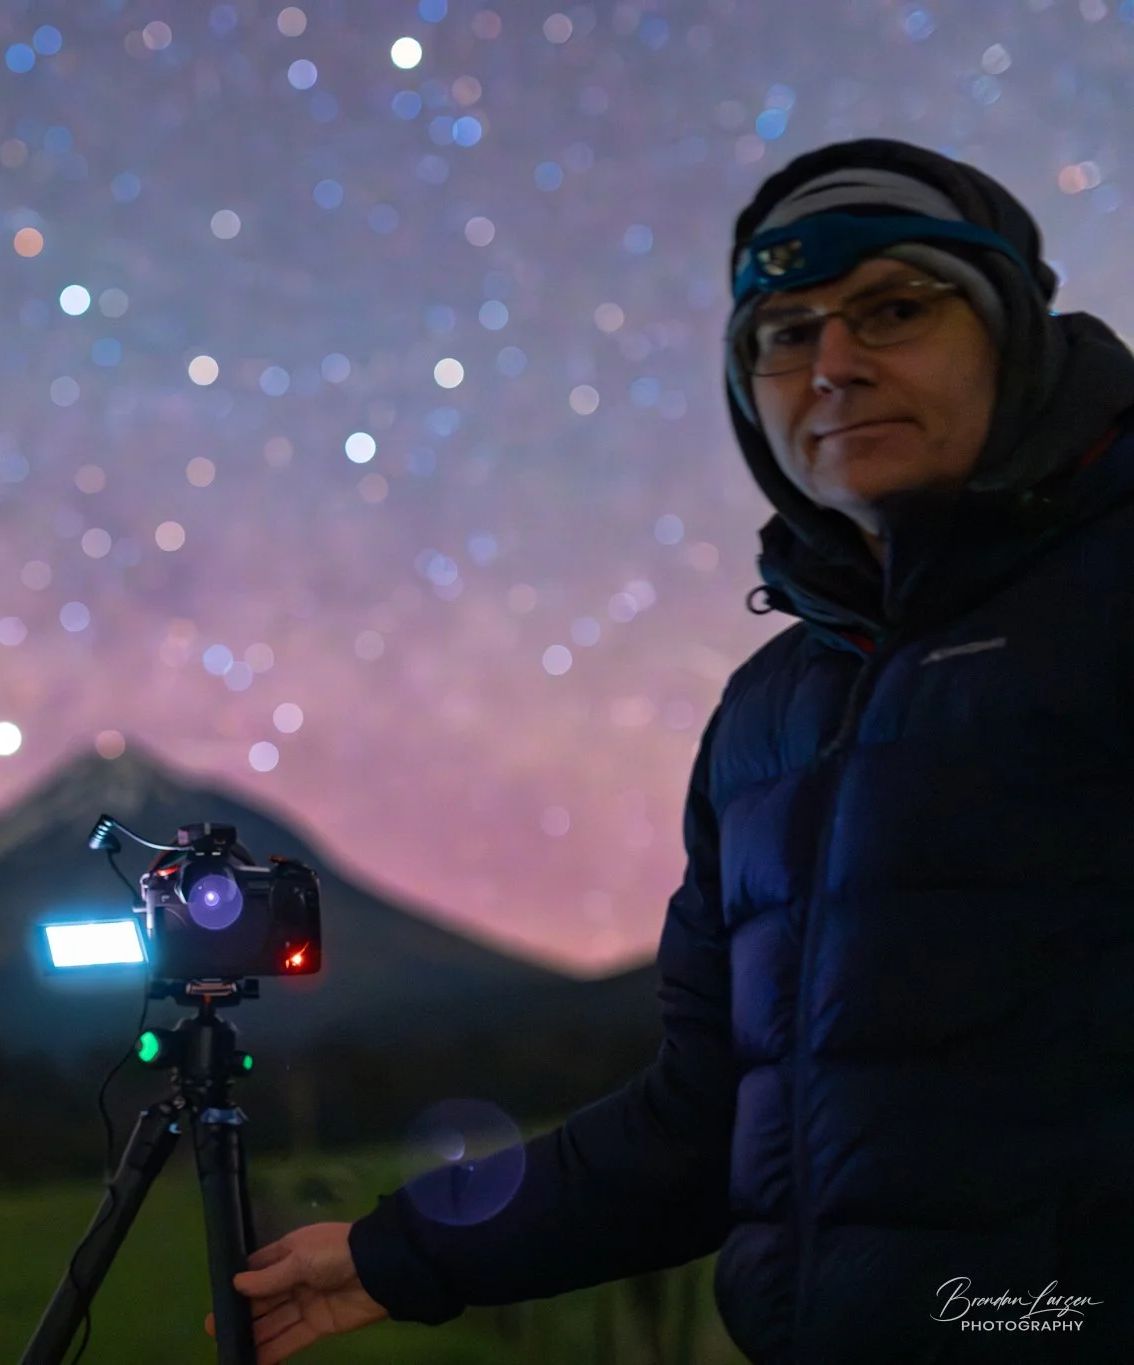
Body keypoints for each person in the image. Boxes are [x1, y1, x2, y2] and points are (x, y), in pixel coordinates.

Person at [207, 139, 1134, 1363]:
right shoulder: (770, 713)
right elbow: (706, 1118)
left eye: (895, 309)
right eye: (783, 335)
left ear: (1012, 331)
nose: (834, 367)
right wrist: (397, 1253)